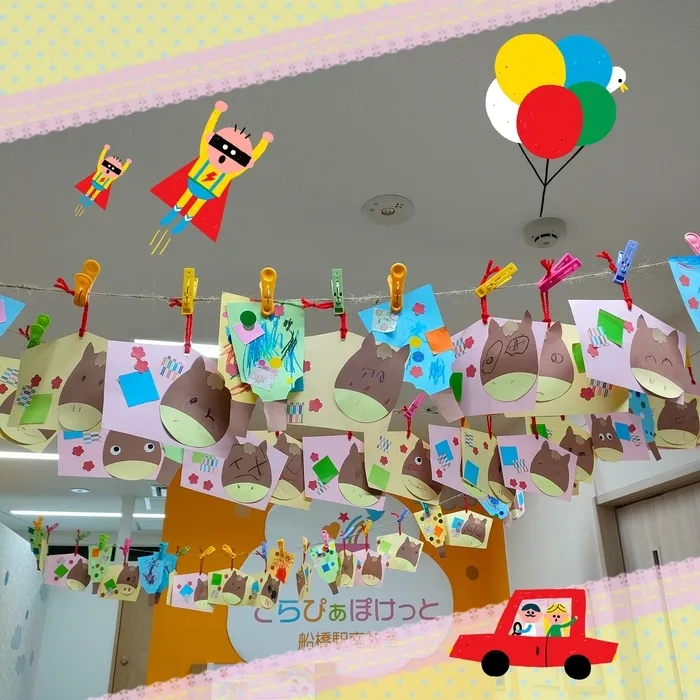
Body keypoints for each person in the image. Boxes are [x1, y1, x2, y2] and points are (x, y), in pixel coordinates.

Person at [150, 100, 273, 251]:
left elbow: (252, 157)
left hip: (207, 190)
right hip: (195, 183)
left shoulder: (230, 172)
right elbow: (206, 134)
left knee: (195, 206)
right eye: (223, 146)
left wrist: (264, 143)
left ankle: (183, 222)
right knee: (185, 199)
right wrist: (216, 112)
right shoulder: (206, 156)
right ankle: (173, 215)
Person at [74, 145, 132, 216]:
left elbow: (120, 172)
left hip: (100, 186)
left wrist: (127, 164)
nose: (109, 170)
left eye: (114, 169)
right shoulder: (101, 170)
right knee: (91, 191)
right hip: (96, 183)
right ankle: (85, 200)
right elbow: (101, 159)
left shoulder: (111, 177)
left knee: (94, 193)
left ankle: (88, 202)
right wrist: (105, 149)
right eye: (108, 165)